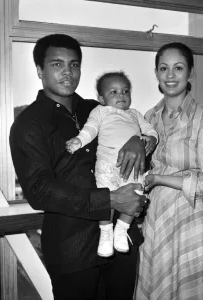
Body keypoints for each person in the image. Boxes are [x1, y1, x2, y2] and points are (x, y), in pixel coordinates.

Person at [9, 34, 148, 300]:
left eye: (74, 65)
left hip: (121, 241)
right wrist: (111, 199)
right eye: (57, 64)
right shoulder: (29, 124)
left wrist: (138, 140)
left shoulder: (95, 109)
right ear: (39, 70)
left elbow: (131, 142)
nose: (67, 72)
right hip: (72, 249)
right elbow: (39, 190)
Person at [135, 42, 203, 299]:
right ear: (156, 73)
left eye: (178, 68)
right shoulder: (148, 118)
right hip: (157, 217)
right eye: (164, 68)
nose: (170, 75)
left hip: (193, 218)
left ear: (190, 73)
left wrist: (160, 179)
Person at [66, 71, 158, 257]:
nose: (121, 96)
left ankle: (122, 229)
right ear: (101, 98)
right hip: (108, 164)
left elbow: (151, 131)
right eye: (114, 92)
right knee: (106, 196)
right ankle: (106, 233)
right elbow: (90, 129)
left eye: (125, 91)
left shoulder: (135, 114)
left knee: (136, 193)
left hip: (133, 166)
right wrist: (78, 141)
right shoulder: (100, 111)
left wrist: (150, 139)